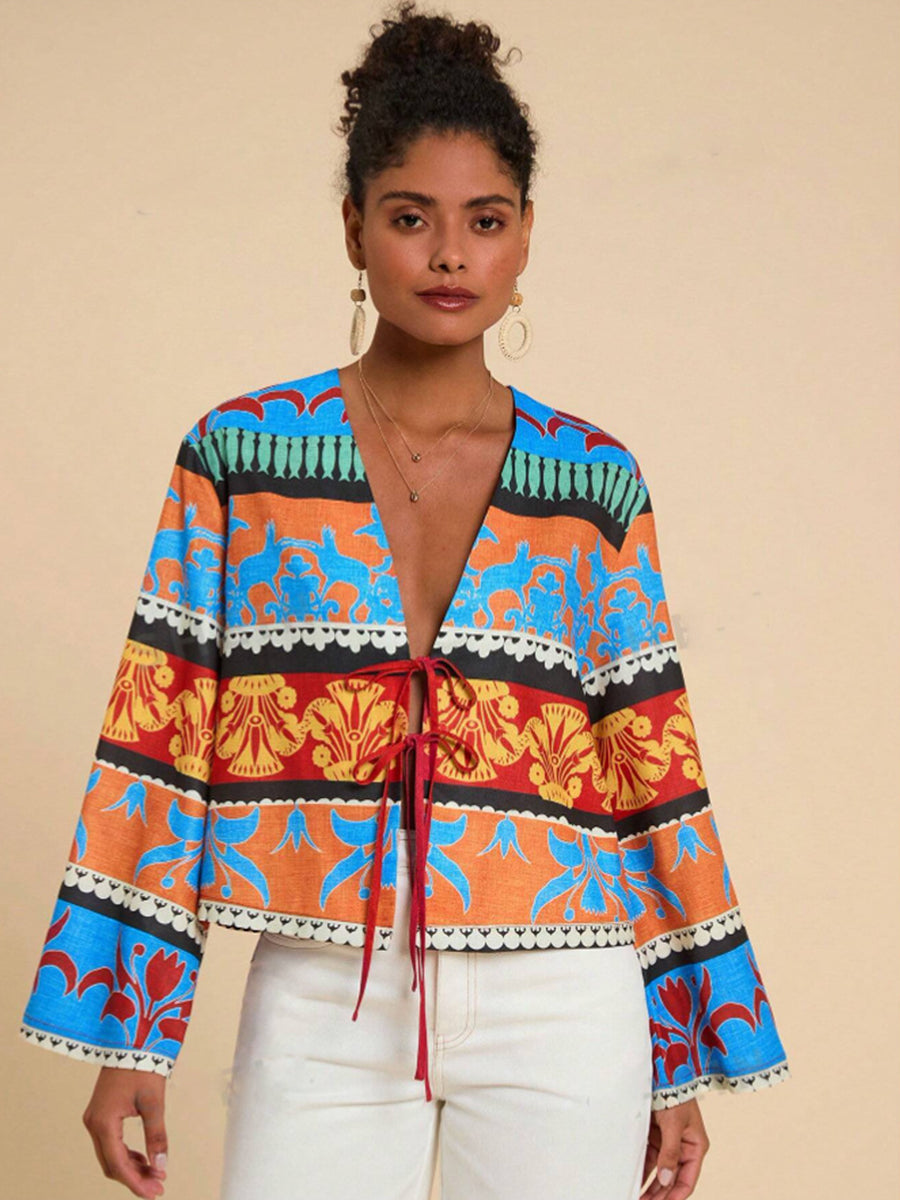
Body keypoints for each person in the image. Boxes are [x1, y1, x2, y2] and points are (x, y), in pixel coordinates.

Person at [19, 4, 790, 1199]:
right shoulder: (240, 455)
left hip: (568, 989)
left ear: (524, 238)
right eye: (410, 217)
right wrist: (132, 1036)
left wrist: (676, 1053)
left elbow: (650, 762)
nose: (449, 257)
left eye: (486, 221)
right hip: (324, 985)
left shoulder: (595, 480)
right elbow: (157, 744)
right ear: (354, 228)